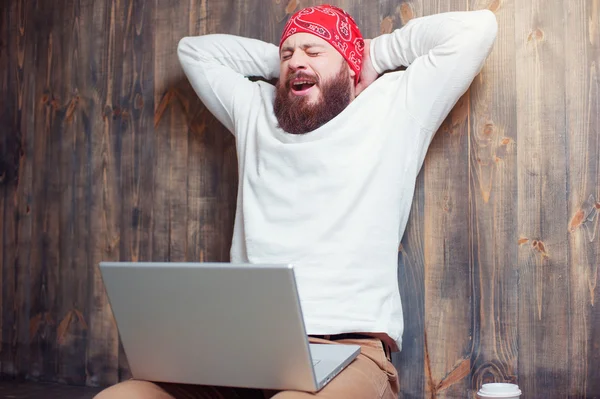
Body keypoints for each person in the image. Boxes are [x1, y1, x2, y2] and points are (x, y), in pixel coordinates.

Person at [95, 4, 497, 399]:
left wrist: (372, 54)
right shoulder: (254, 108)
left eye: (315, 51)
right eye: (288, 53)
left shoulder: (397, 105)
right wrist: (295, 59)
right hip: (246, 352)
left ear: (349, 66)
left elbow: (476, 30)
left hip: (349, 353)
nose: (296, 61)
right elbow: (194, 51)